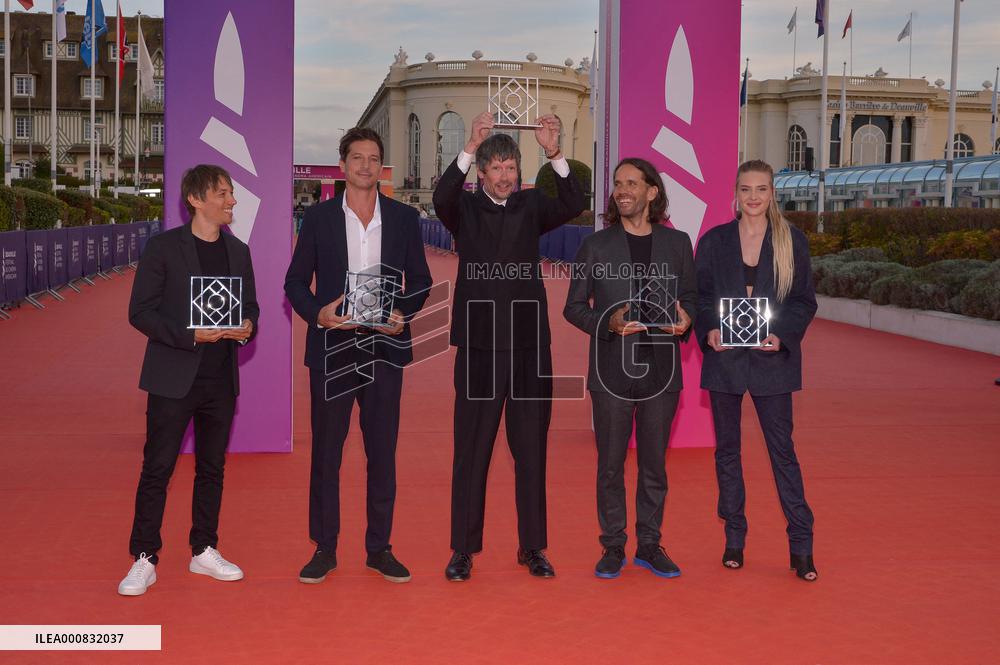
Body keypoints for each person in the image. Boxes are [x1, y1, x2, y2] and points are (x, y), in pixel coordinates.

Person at [433, 112, 585, 581]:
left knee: (531, 447)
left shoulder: (534, 206)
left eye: (510, 168)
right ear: (482, 173)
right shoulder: (463, 209)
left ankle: (533, 547)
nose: (503, 175)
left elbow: (575, 201)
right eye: (494, 167)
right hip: (478, 345)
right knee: (471, 449)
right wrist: (470, 144)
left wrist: (554, 150)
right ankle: (462, 549)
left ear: (519, 172)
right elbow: (441, 198)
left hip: (528, 347)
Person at [285, 127, 432, 584]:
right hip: (334, 348)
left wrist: (404, 311)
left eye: (373, 158)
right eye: (356, 158)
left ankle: (379, 548)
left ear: (381, 166)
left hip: (384, 348)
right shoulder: (320, 218)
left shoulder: (405, 219)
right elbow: (294, 283)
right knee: (327, 454)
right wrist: (318, 315)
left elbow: (422, 281)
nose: (365, 166)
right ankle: (324, 548)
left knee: (381, 452)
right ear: (343, 165)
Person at [119, 164, 259, 596]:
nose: (231, 200)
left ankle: (204, 548)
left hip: (220, 378)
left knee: (212, 469)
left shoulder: (239, 252)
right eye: (222, 193)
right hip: (171, 377)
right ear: (195, 200)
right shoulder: (162, 249)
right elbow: (139, 312)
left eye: (231, 193)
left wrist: (248, 325)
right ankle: (144, 557)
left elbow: (250, 304)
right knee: (157, 468)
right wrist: (188, 335)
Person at [564, 158, 696, 579]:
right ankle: (613, 545)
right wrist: (608, 323)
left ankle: (650, 544)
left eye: (631, 183)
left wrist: (687, 319)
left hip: (662, 371)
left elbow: (691, 298)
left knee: (654, 465)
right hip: (611, 372)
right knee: (610, 464)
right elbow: (572, 308)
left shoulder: (678, 245)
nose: (622, 190)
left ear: (652, 192)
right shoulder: (596, 246)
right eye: (618, 184)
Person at [694, 159, 819, 581]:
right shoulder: (713, 241)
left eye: (761, 189)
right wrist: (709, 329)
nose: (753, 197)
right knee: (727, 453)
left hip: (773, 362)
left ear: (772, 194)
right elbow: (700, 297)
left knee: (782, 453)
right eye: (746, 189)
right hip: (725, 360)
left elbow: (804, 300)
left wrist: (782, 335)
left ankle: (801, 546)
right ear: (735, 194)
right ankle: (734, 539)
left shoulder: (792, 241)